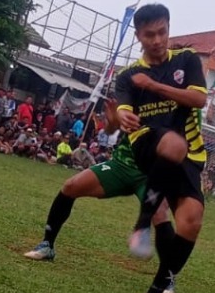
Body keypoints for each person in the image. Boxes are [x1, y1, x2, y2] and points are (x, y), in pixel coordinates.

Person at [116, 3, 209, 293]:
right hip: (147, 143)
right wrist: (123, 116)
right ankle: (142, 226)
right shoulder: (128, 75)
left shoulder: (186, 60)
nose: (156, 40)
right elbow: (122, 108)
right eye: (149, 34)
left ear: (169, 29)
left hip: (190, 155)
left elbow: (199, 99)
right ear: (138, 36)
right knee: (172, 143)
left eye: (162, 32)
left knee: (192, 221)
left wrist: (154, 86)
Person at [24, 98, 175, 278]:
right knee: (71, 186)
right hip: (120, 166)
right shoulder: (135, 98)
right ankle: (47, 245)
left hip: (150, 175)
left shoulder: (173, 106)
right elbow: (111, 130)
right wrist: (111, 121)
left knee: (159, 214)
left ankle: (167, 276)